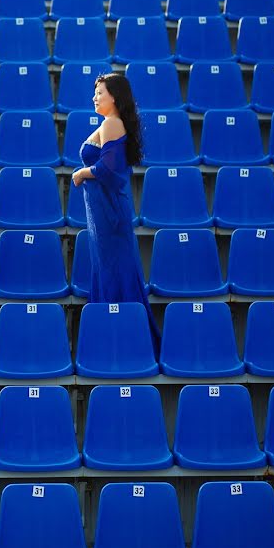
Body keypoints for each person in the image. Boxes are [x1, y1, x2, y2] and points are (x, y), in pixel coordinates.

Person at [71, 73, 161, 352]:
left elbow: (110, 171)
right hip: (103, 214)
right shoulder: (111, 124)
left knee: (115, 273)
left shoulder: (111, 124)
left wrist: (82, 173)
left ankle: (123, 343)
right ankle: (118, 341)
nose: (94, 97)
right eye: (95, 92)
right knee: (110, 270)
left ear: (115, 96)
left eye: (100, 92)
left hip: (109, 215)